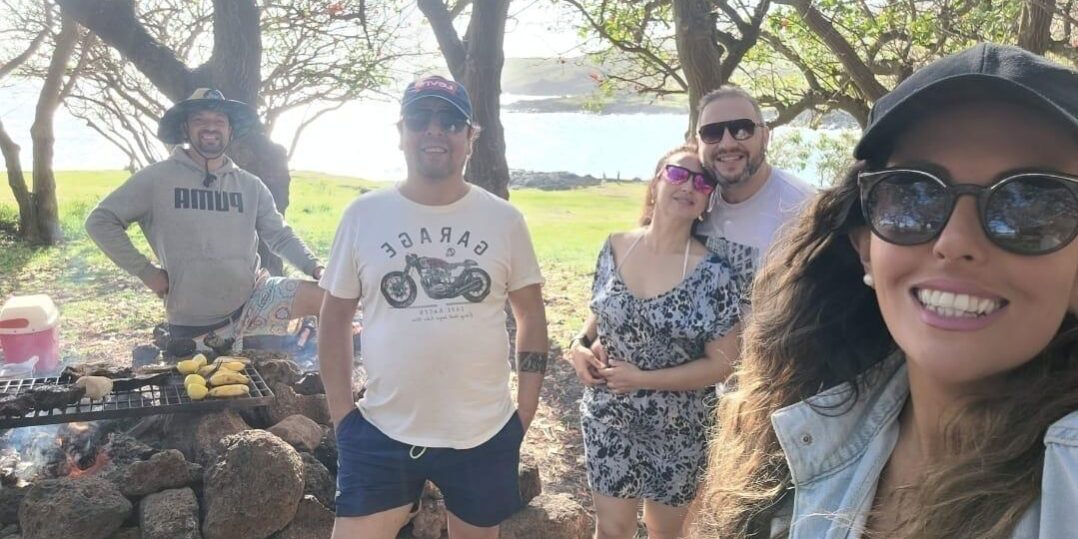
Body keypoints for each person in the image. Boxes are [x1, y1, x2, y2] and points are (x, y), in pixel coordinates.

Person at [694, 43, 1078, 539]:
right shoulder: (790, 440)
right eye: (913, 194)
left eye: (1031, 204)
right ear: (866, 249)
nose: (955, 243)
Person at [318, 75, 548, 539]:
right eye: (420, 118)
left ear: (470, 137)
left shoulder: (504, 220)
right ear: (401, 132)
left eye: (451, 121)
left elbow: (531, 314)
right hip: (381, 427)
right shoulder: (363, 215)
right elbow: (334, 316)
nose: (435, 130)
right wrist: (343, 416)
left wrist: (524, 410)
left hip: (483, 431)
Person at [567, 145, 743, 539]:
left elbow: (722, 363)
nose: (689, 186)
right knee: (611, 530)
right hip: (609, 416)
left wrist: (643, 379)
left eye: (702, 182)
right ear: (656, 183)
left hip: (679, 427)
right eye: (678, 174)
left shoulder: (714, 274)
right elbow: (603, 308)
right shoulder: (615, 246)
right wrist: (579, 344)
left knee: (664, 532)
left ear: (708, 201)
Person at [85, 88, 325, 351]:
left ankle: (331, 372)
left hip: (255, 303)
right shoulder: (157, 179)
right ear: (185, 128)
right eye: (200, 120)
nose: (211, 127)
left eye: (219, 121)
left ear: (230, 130)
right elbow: (100, 221)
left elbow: (280, 236)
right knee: (209, 376)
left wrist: (317, 268)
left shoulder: (250, 185)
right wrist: (146, 272)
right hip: (195, 325)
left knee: (329, 298)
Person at [695, 86, 815, 293]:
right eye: (712, 133)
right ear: (697, 143)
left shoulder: (805, 208)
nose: (727, 143)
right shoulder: (695, 203)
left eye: (742, 129)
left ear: (765, 137)